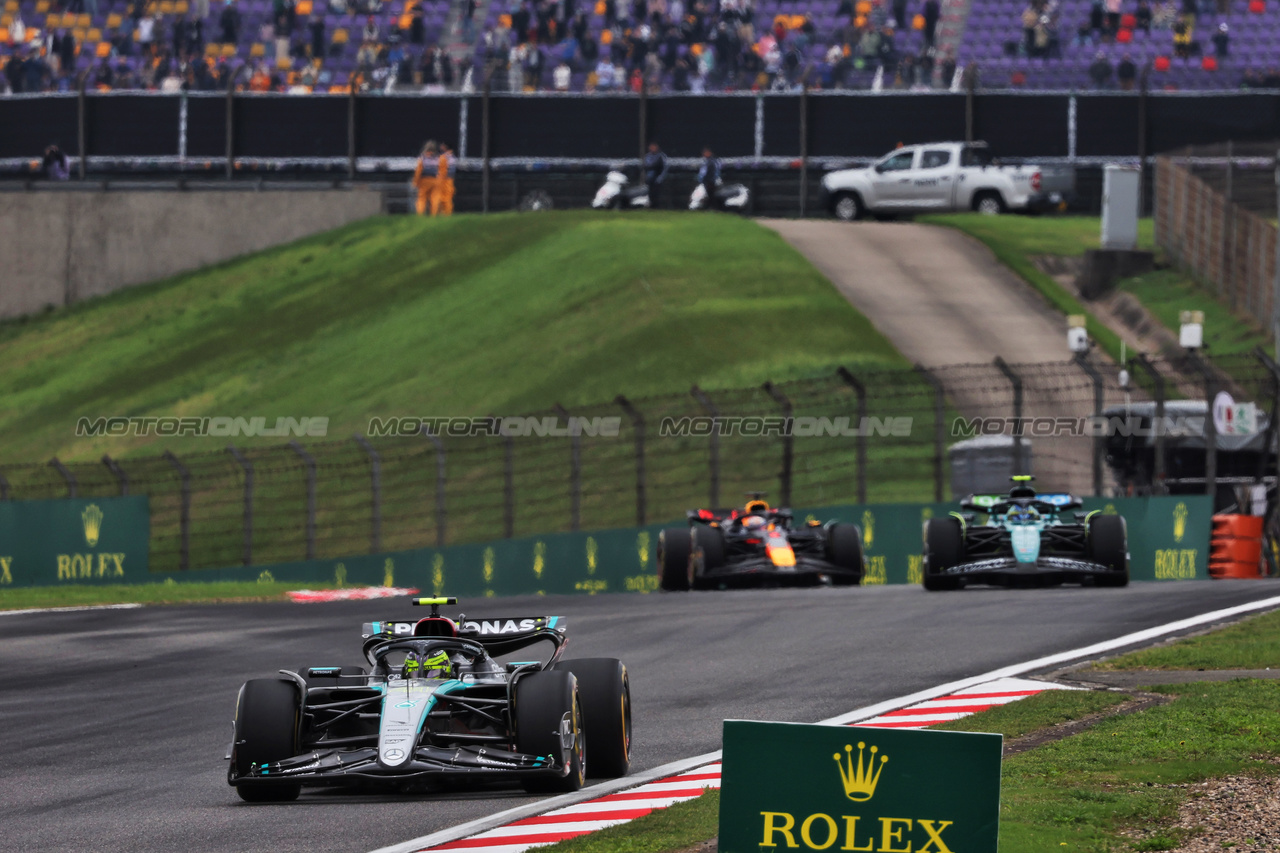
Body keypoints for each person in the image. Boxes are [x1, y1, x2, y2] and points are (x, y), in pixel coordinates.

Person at [413, 140, 438, 215]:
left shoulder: (422, 158)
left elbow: (418, 171)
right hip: (435, 181)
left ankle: (420, 214)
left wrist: (415, 182)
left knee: (422, 198)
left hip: (424, 180)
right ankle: (434, 214)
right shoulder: (437, 158)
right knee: (434, 198)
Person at [431, 142, 456, 216]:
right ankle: (447, 213)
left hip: (443, 180)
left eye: (442, 146)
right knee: (448, 198)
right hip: (450, 180)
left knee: (438, 197)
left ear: (445, 147)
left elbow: (441, 170)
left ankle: (437, 213)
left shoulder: (443, 157)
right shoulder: (453, 157)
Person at [643, 141, 668, 209]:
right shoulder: (647, 156)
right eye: (651, 147)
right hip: (649, 179)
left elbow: (664, 168)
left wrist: (660, 178)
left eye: (654, 147)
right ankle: (651, 205)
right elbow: (646, 166)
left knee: (657, 193)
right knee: (650, 193)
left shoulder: (661, 156)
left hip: (657, 179)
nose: (652, 148)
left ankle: (657, 206)